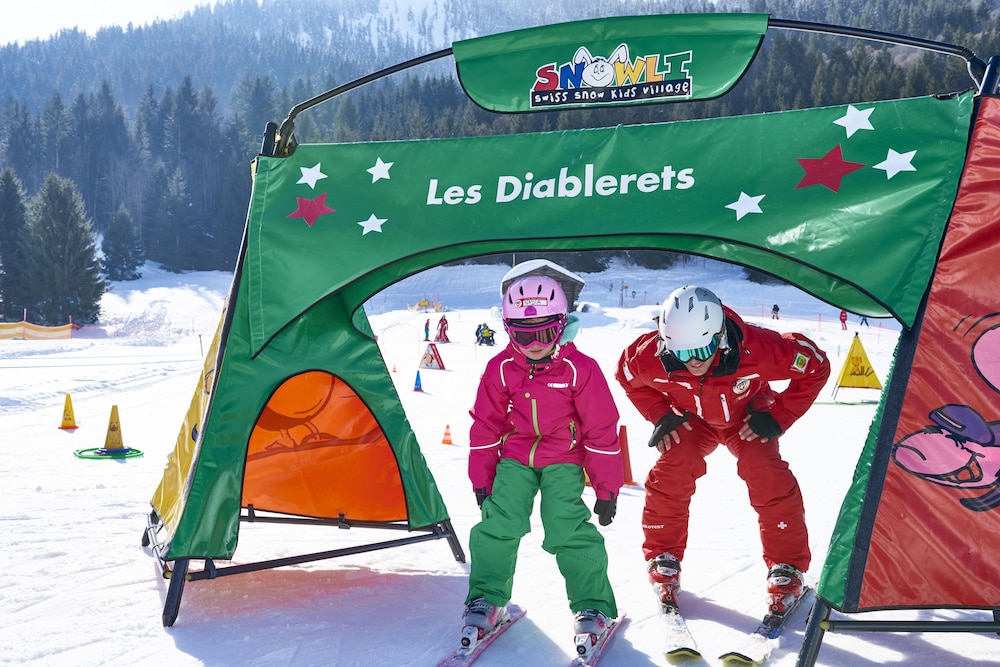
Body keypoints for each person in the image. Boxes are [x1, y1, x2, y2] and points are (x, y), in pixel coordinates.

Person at [615, 285, 829, 621]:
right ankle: (663, 556)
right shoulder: (650, 356)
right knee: (675, 463)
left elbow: (816, 365)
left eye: (703, 348)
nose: (694, 361)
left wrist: (779, 415)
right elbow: (625, 374)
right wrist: (660, 414)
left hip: (747, 418)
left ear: (719, 335)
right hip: (693, 419)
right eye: (682, 352)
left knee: (763, 468)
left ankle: (787, 566)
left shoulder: (759, 348)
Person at [461, 272, 624, 654]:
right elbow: (486, 424)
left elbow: (601, 428)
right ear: (508, 330)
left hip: (564, 457)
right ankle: (488, 598)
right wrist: (481, 477)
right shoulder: (501, 367)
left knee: (564, 524)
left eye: (545, 333)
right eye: (523, 335)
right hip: (515, 455)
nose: (535, 345)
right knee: (499, 521)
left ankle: (594, 606)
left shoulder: (580, 369)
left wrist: (607, 487)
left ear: (562, 325)